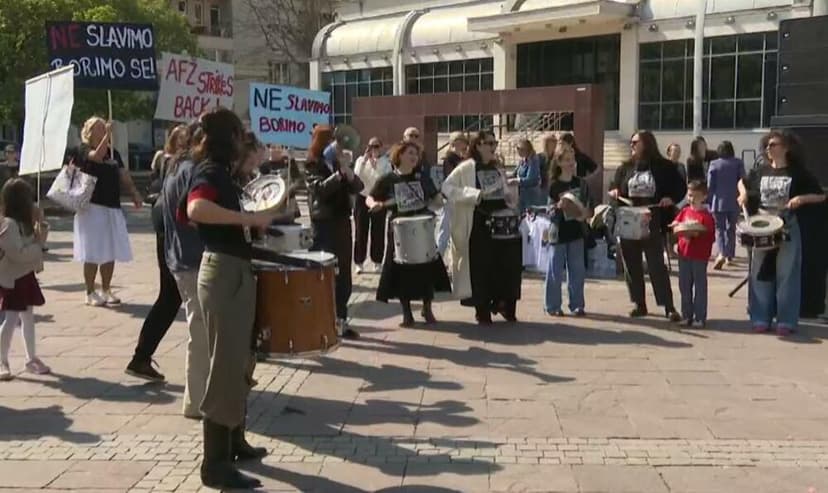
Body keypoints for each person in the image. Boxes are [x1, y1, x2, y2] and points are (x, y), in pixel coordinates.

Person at [184, 108, 275, 489]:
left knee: (239, 361)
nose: (244, 140)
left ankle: (234, 442)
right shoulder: (209, 171)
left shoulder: (224, 173)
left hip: (233, 269)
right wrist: (246, 221)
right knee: (224, 366)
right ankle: (214, 464)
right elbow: (196, 209)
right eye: (239, 133)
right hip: (223, 272)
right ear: (228, 137)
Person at [738, 130, 825, 335]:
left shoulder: (798, 173)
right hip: (762, 224)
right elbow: (742, 181)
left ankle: (786, 321)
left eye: (773, 144)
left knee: (787, 274)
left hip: (786, 224)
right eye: (767, 145)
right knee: (758, 273)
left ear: (786, 148)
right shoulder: (761, 170)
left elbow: (820, 196)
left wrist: (801, 199)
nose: (769, 148)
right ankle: (760, 318)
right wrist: (742, 194)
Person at [125, 125, 190, 382]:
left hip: (166, 232)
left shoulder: (171, 164)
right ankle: (140, 357)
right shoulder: (177, 165)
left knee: (169, 299)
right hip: (174, 234)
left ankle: (141, 357)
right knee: (170, 298)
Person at [442, 130, 522, 324]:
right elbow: (447, 188)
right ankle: (483, 309)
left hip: (502, 224)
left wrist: (510, 196)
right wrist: (474, 194)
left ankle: (504, 305)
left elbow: (505, 193)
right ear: (477, 145)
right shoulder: (466, 167)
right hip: (479, 223)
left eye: (495, 143)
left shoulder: (497, 167)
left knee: (506, 266)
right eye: (489, 143)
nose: (493, 147)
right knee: (481, 268)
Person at [369, 141, 451, 326]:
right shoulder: (388, 179)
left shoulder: (422, 178)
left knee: (427, 268)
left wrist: (440, 198)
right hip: (399, 229)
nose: (414, 157)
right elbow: (370, 196)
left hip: (422, 227)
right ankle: (407, 312)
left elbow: (435, 197)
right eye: (410, 153)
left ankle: (427, 308)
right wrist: (373, 204)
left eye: (416, 154)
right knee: (401, 272)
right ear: (400, 155)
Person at [609, 130, 685, 321]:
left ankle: (668, 305)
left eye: (636, 142)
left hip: (651, 219)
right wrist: (615, 192)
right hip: (628, 219)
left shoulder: (664, 166)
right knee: (631, 263)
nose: (632, 145)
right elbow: (615, 187)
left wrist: (670, 198)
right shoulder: (624, 168)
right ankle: (639, 303)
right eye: (631, 142)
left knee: (656, 264)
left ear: (647, 143)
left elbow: (680, 187)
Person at [73, 116, 141, 306]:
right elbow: (96, 156)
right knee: (93, 250)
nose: (103, 130)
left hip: (112, 206)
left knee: (109, 250)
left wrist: (134, 193)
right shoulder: (83, 149)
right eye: (99, 128)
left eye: (105, 127)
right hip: (92, 207)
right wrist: (108, 137)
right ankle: (89, 291)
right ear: (89, 131)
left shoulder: (113, 153)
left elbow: (123, 174)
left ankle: (106, 289)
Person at [306, 126, 364, 339]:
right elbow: (319, 189)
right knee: (325, 273)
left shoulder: (341, 164)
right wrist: (339, 175)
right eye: (334, 141)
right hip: (323, 224)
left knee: (344, 274)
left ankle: (341, 319)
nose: (339, 146)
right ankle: (321, 319)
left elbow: (359, 186)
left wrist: (348, 174)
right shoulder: (313, 164)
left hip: (342, 223)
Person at [0, 179, 48, 381]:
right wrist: (37, 246)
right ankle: (2, 360)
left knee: (28, 316)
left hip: (26, 275)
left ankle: (31, 358)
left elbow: (37, 247)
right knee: (10, 319)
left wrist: (41, 228)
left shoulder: (25, 222)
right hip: (13, 277)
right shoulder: (8, 225)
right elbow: (17, 254)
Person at [544, 145, 592, 317]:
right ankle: (552, 305)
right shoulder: (554, 185)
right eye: (567, 160)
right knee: (555, 270)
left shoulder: (581, 183)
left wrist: (585, 213)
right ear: (559, 163)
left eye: (572, 160)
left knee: (577, 270)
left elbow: (588, 207)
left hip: (577, 230)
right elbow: (548, 210)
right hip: (558, 231)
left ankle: (577, 304)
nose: (571, 163)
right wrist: (558, 207)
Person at [671, 180, 715, 327]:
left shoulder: (706, 216)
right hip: (684, 254)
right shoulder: (684, 211)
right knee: (684, 285)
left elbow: (710, 235)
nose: (691, 199)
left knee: (700, 287)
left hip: (699, 255)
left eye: (695, 196)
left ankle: (700, 317)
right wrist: (677, 237)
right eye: (690, 195)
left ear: (704, 197)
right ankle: (686, 315)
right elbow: (676, 226)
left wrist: (697, 233)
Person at [353, 137, 391, 274]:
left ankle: (377, 261)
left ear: (381, 147)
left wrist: (376, 168)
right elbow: (356, 176)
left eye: (376, 146)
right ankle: (359, 262)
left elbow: (384, 180)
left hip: (377, 198)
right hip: (362, 197)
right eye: (371, 146)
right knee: (360, 231)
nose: (373, 149)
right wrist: (364, 161)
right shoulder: (360, 160)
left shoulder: (385, 162)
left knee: (378, 231)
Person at [707, 141, 745, 269]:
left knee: (720, 229)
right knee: (731, 229)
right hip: (734, 200)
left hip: (718, 201)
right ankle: (729, 255)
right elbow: (742, 180)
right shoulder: (738, 163)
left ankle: (722, 253)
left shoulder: (714, 164)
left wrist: (709, 200)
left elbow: (710, 185)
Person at [437, 132, 468, 256]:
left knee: (456, 231)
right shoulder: (450, 158)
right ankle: (439, 257)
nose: (464, 144)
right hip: (450, 198)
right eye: (462, 141)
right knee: (445, 230)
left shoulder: (462, 158)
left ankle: (452, 260)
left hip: (459, 197)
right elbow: (452, 177)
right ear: (455, 143)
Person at [259, 144, 302, 222]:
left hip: (288, 203)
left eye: (279, 147)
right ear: (269, 149)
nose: (276, 150)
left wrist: (289, 190)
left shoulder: (289, 162)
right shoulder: (264, 166)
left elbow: (298, 180)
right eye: (273, 147)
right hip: (271, 204)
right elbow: (260, 184)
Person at [509, 139, 544, 213]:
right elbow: (514, 173)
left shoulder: (534, 160)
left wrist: (517, 181)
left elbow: (531, 179)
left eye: (521, 149)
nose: (518, 151)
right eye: (517, 148)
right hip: (521, 196)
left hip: (531, 196)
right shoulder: (522, 160)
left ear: (528, 149)